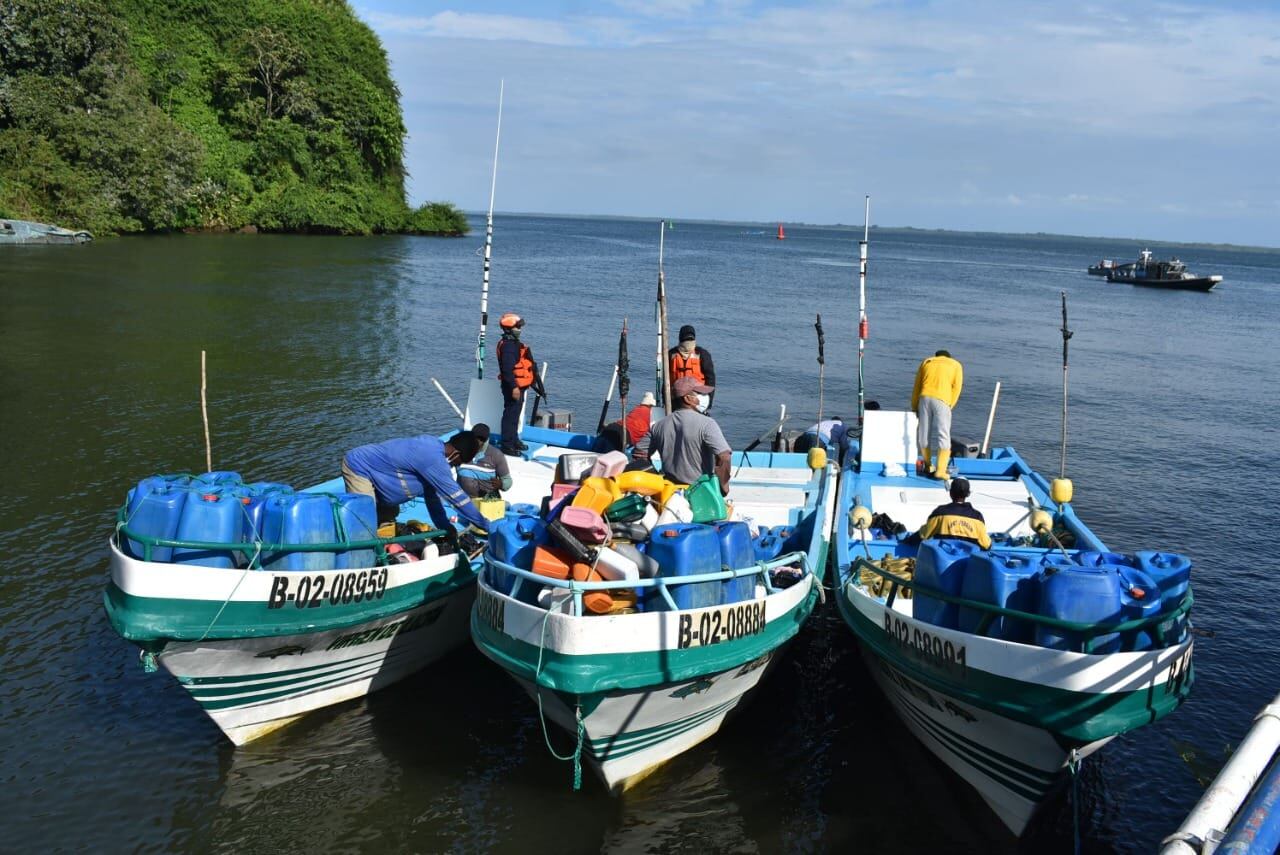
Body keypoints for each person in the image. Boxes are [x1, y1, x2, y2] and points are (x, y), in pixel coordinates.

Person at [342, 431, 490, 533]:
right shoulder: (433, 459)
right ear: (455, 454)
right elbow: (458, 499)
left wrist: (445, 527)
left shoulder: (434, 455)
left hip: (383, 473)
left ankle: (384, 545)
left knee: (388, 517)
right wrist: (487, 526)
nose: (456, 466)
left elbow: (433, 500)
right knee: (364, 520)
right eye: (459, 462)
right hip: (360, 466)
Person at [638, 376, 731, 495]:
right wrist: (722, 487)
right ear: (688, 399)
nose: (705, 397)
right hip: (700, 491)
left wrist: (654, 477)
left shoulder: (659, 425)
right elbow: (724, 456)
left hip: (670, 490)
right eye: (700, 394)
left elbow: (640, 453)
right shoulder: (707, 424)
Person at [911, 349, 963, 480]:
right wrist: (950, 405)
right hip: (942, 400)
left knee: (923, 434)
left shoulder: (927, 362)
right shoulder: (955, 364)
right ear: (948, 357)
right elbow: (957, 388)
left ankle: (928, 465)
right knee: (943, 434)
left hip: (924, 398)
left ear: (936, 356)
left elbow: (917, 386)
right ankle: (940, 470)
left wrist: (914, 407)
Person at [496, 312, 542, 455]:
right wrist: (514, 387)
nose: (520, 329)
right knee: (510, 414)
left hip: (518, 386)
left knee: (516, 414)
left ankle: (514, 439)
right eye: (517, 327)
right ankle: (507, 445)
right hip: (513, 386)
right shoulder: (509, 347)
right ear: (509, 328)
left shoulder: (513, 344)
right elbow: (507, 370)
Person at [916, 478, 991, 548]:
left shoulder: (940, 513)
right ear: (968, 494)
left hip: (943, 561)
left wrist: (907, 540)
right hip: (968, 561)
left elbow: (923, 535)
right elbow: (986, 545)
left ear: (950, 493)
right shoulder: (977, 517)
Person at [457, 424, 512, 499]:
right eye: (475, 437)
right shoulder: (461, 450)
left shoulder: (496, 454)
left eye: (482, 439)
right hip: (462, 498)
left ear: (487, 440)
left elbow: (508, 480)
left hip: (487, 499)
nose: (478, 441)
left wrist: (502, 484)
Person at [668, 325, 716, 407]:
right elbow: (666, 380)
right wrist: (666, 401)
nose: (688, 340)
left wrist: (708, 402)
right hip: (676, 399)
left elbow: (710, 379)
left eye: (690, 338)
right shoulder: (671, 354)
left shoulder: (702, 354)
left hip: (696, 398)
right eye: (687, 338)